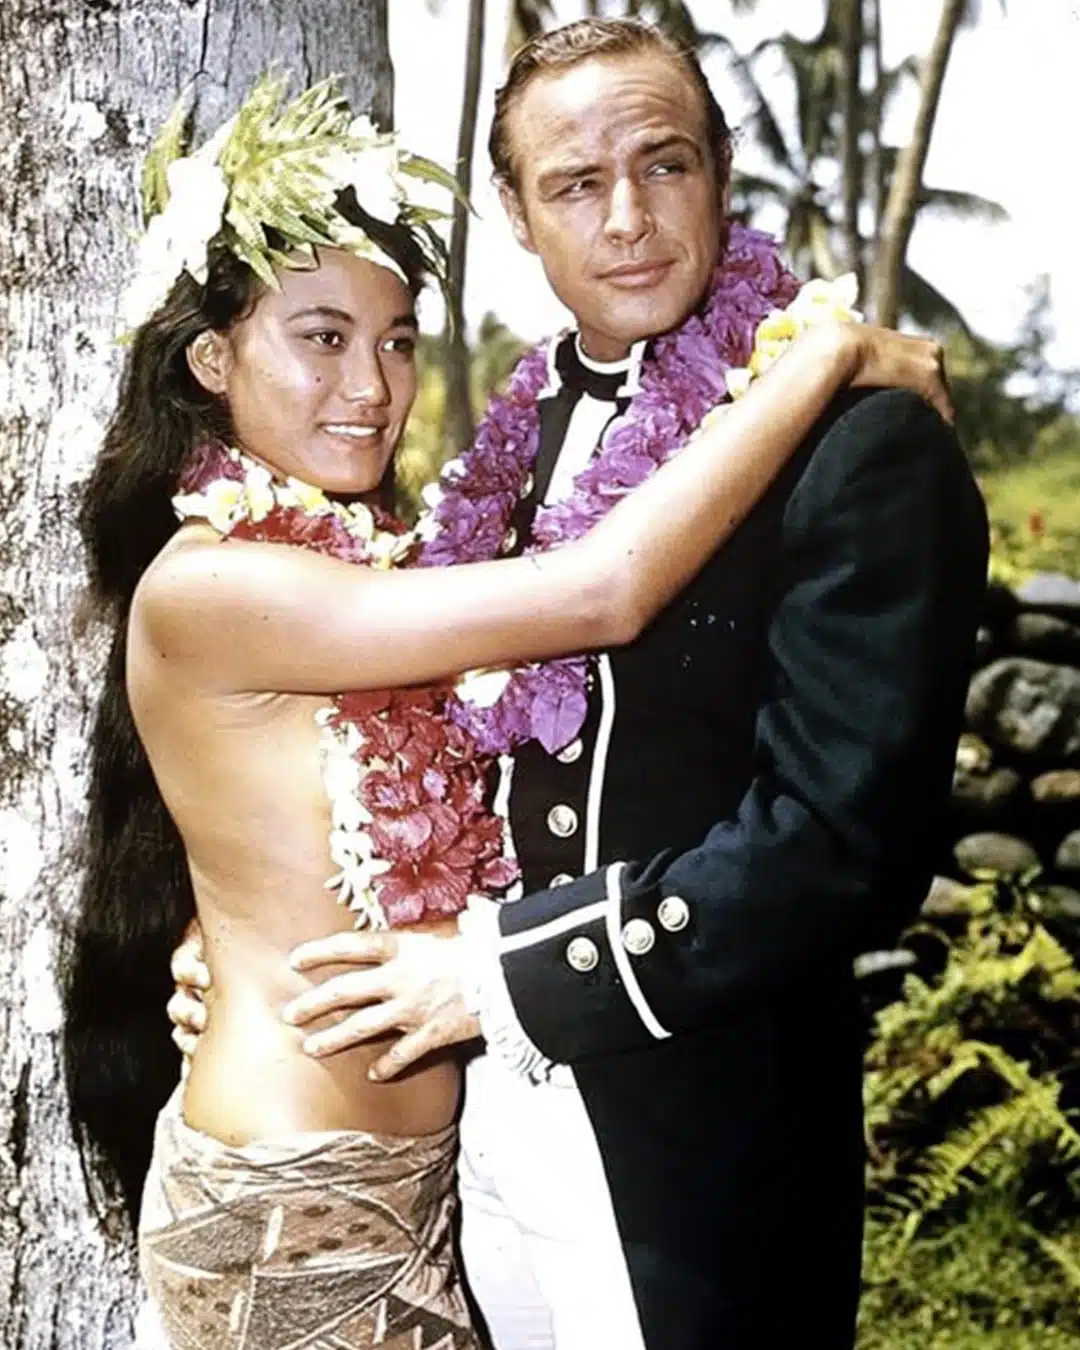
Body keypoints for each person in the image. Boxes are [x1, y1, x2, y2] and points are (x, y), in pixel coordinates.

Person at [60, 69, 948, 1350]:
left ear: (720, 170)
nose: (373, 386)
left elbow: (832, 838)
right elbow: (602, 592)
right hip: (324, 1194)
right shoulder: (240, 575)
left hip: (593, 1163)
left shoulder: (388, 543)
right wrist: (831, 356)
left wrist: (261, 932)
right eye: (321, 338)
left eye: (396, 340)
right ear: (519, 214)